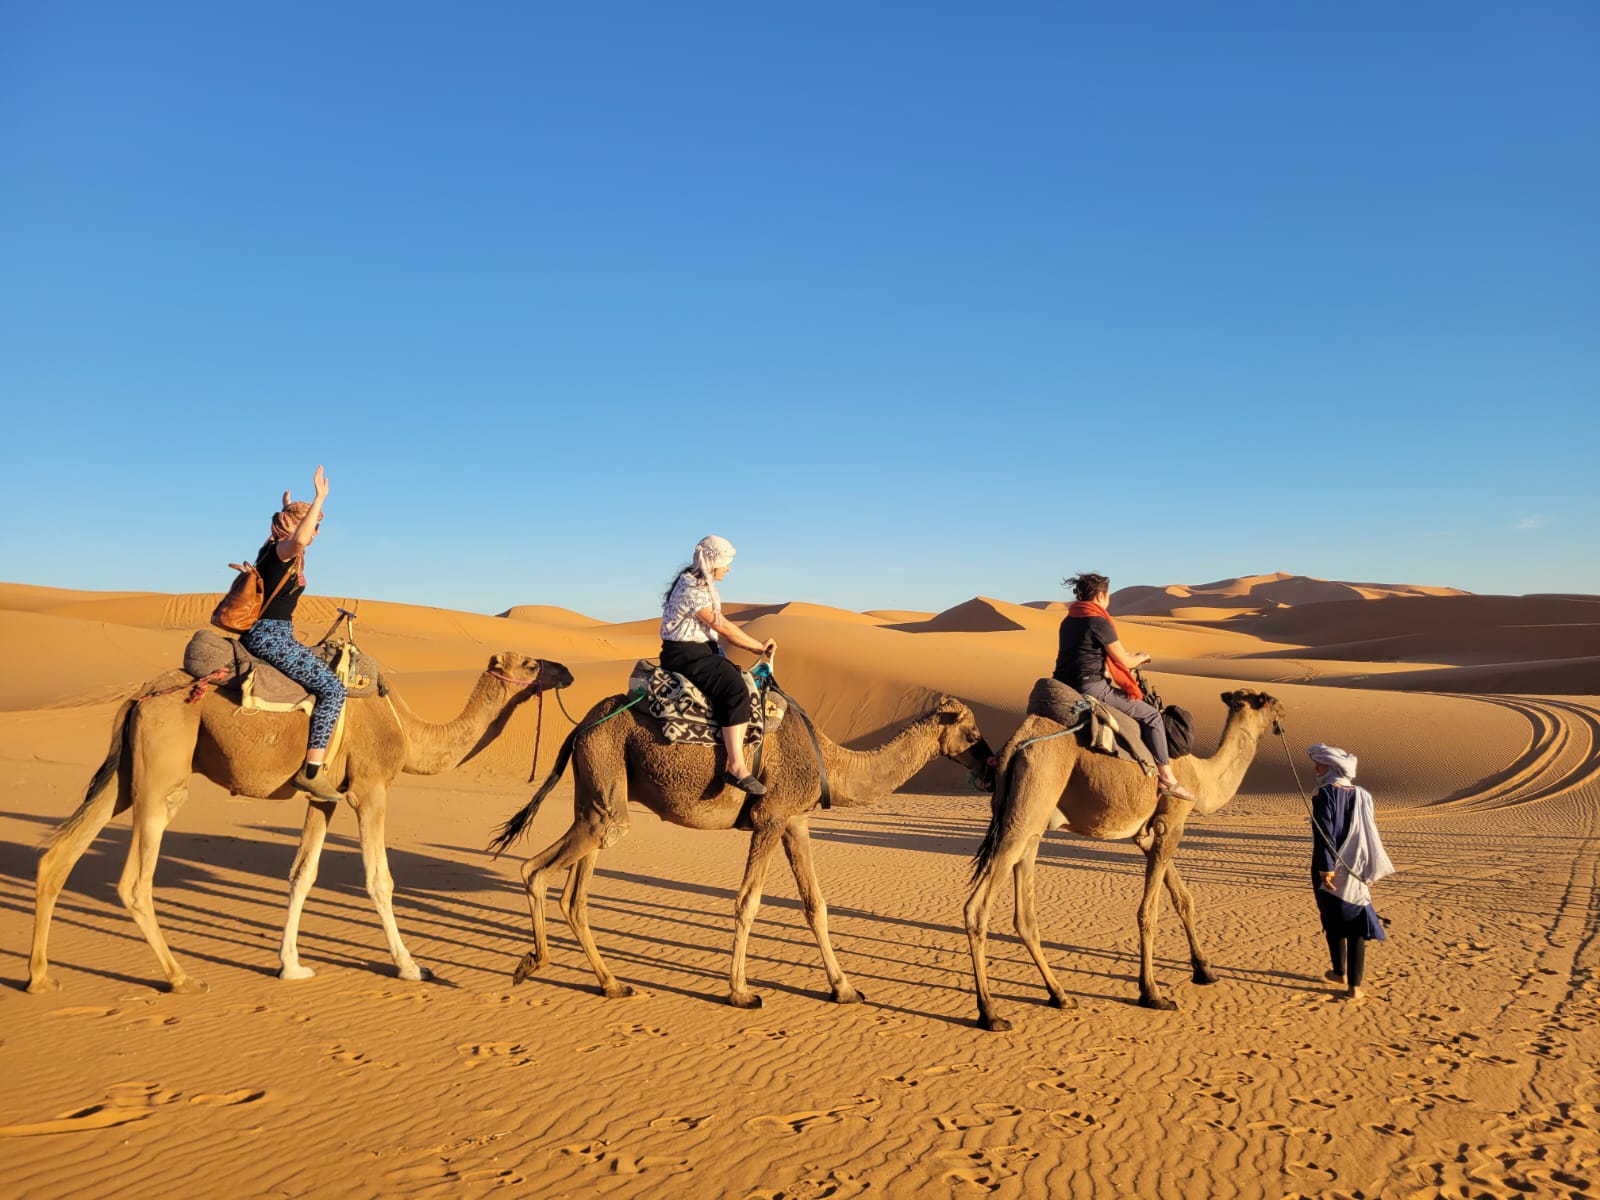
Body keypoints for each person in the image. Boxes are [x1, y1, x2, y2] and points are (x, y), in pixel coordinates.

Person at [239, 465, 347, 803]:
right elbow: (299, 538)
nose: (314, 533)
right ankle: (312, 770)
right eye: (314, 526)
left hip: (275, 633)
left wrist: (288, 506)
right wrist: (319, 497)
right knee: (333, 689)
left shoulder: (271, 550)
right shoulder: (284, 550)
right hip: (271, 636)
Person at [1052, 572, 1194, 801]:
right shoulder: (1098, 621)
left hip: (1062, 684)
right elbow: (1125, 662)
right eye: (1107, 595)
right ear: (1100, 596)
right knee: (1152, 717)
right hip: (1091, 687)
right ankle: (1167, 778)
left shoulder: (1068, 620)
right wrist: (1141, 657)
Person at [659, 535, 776, 795]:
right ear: (713, 562)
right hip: (687, 654)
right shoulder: (692, 587)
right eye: (726, 563)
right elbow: (722, 626)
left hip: (702, 652)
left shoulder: (701, 584)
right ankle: (736, 766)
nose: (729, 568)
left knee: (738, 677)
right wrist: (757, 647)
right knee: (735, 688)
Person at [1307, 742, 1394, 1000]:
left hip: (1330, 867)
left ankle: (1340, 972)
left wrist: (1326, 869)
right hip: (1358, 865)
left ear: (1332, 767)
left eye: (1320, 764)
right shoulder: (1362, 795)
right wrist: (1369, 867)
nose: (1316, 767)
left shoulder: (1326, 795)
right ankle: (1353, 986)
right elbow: (1370, 834)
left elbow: (1325, 835)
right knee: (1357, 921)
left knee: (1333, 919)